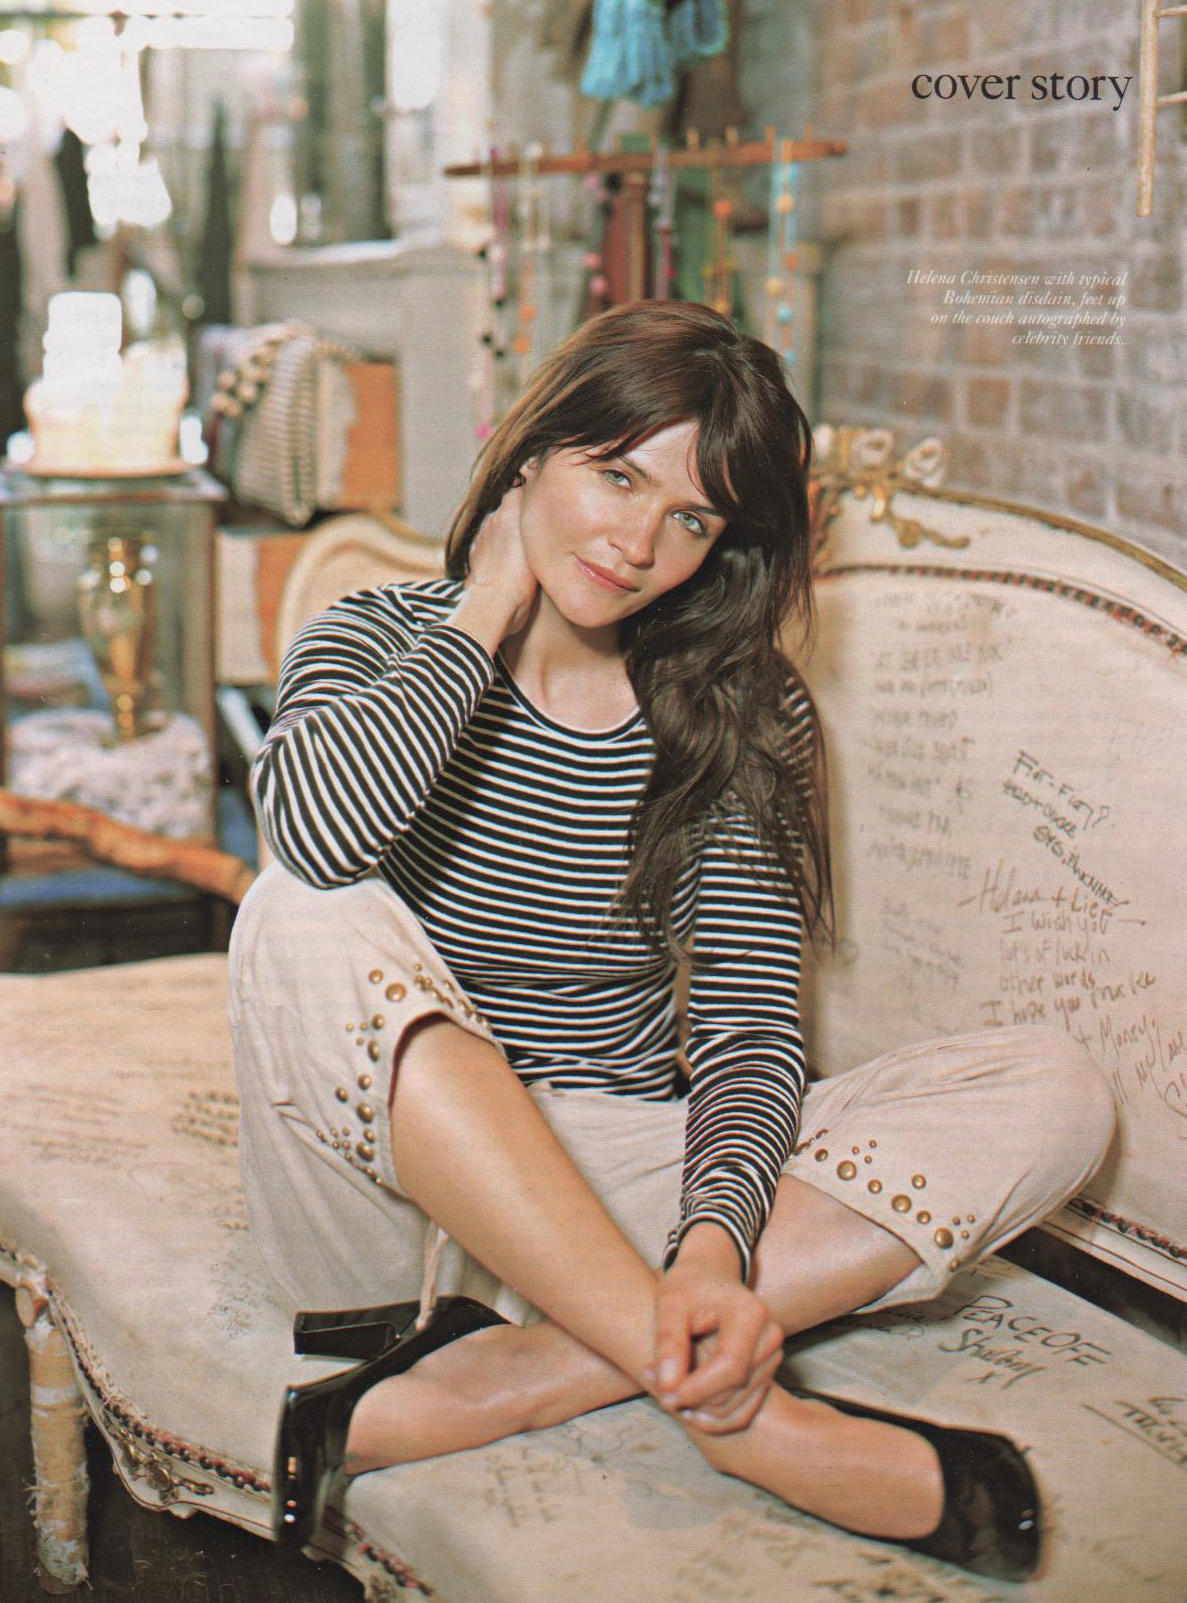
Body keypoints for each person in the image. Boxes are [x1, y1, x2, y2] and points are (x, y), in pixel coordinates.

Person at [228, 300, 1115, 1582]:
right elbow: (317, 832)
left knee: (1054, 1089)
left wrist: (711, 1249)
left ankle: (527, 1369)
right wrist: (484, 608)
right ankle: (745, 1422)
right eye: (617, 474)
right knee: (300, 905)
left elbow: (749, 1027)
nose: (639, 542)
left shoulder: (736, 712)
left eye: (693, 519)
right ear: (531, 451)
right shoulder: (375, 637)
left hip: (608, 1168)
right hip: (378, 1203)